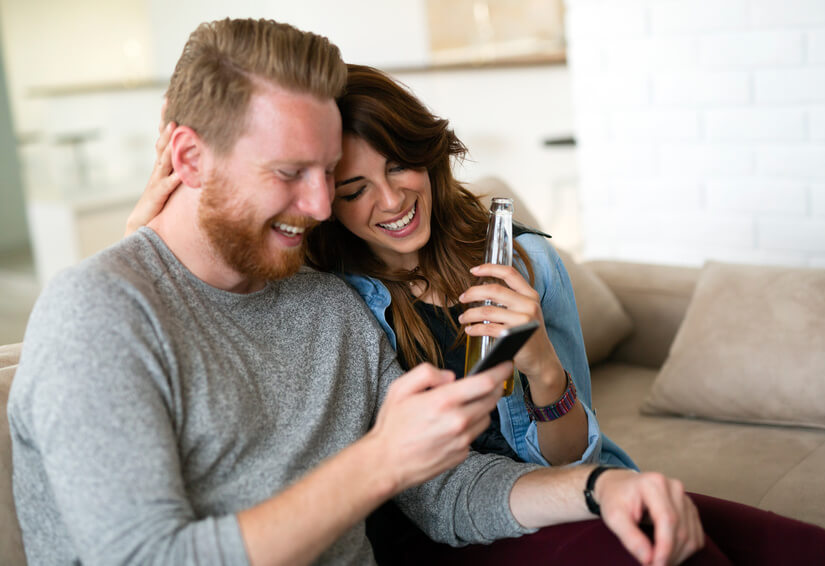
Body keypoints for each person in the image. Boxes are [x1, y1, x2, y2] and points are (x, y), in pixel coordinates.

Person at [8, 18, 710, 566]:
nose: (318, 208)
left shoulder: (329, 307)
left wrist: (599, 488)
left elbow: (445, 494)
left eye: (326, 173)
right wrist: (378, 460)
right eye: (292, 173)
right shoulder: (98, 314)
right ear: (189, 158)